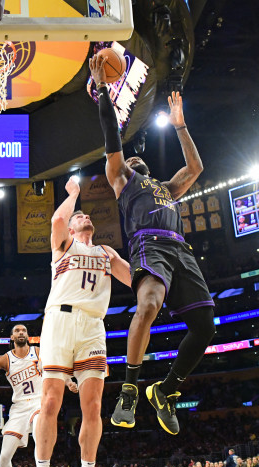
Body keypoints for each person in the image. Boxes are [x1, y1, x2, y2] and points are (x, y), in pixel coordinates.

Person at [91, 53, 216, 435]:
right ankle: (129, 388)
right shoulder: (123, 179)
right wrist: (101, 92)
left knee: (205, 326)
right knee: (147, 305)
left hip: (181, 250)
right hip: (150, 245)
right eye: (130, 157)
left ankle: (166, 390)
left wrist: (180, 127)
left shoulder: (165, 188)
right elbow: (112, 139)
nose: (135, 157)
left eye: (137, 156)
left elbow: (195, 169)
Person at [29, 178, 132, 467]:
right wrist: (73, 195)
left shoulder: (106, 252)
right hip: (58, 321)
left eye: (86, 214)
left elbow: (134, 279)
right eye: (79, 215)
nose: (83, 216)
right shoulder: (63, 246)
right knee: (50, 402)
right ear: (73, 228)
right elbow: (57, 220)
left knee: (93, 405)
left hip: (92, 325)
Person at [0, 324, 78, 467]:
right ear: (12, 337)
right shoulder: (4, 359)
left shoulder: (38, 352)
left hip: (38, 402)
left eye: (24, 331)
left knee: (39, 435)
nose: (21, 333)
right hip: (18, 408)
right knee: (4, 456)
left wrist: (68, 381)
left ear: (27, 335)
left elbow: (55, 367)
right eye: (17, 331)